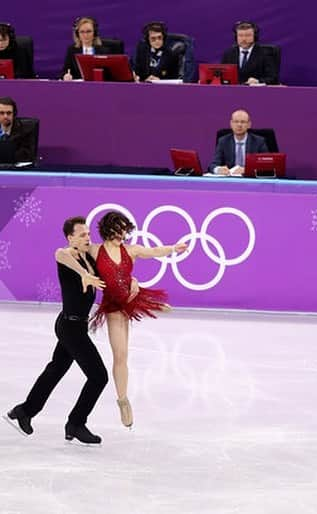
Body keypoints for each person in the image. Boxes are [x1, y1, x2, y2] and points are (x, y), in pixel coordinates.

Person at [4, 216, 108, 444]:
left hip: (75, 325)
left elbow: (111, 265)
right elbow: (59, 254)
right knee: (99, 376)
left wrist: (130, 281)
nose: (87, 238)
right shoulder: (67, 255)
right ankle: (76, 422)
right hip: (70, 327)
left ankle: (24, 411)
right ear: (70, 238)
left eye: (88, 234)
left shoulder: (89, 257)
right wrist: (83, 274)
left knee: (55, 370)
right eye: (82, 235)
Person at [87, 211, 187, 428]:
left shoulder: (131, 250)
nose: (123, 232)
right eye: (119, 228)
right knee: (120, 355)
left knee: (148, 300)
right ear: (109, 228)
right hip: (113, 308)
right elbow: (72, 252)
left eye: (125, 228)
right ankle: (123, 401)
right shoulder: (95, 250)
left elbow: (153, 251)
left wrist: (173, 248)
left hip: (129, 298)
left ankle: (148, 301)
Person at [208, 109, 269, 175]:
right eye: (236, 122)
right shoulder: (223, 141)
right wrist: (218, 170)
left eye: (243, 122)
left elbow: (266, 165)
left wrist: (246, 170)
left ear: (249, 125)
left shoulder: (259, 142)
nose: (239, 125)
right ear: (231, 124)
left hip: (251, 180)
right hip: (230, 181)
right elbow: (213, 164)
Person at [61, 16, 112, 80]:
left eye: (89, 31)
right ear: (77, 34)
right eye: (82, 32)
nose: (85, 35)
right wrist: (65, 76)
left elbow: (110, 75)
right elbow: (64, 71)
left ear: (95, 33)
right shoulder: (72, 50)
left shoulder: (104, 52)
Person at [0, 96, 35, 162]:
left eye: (9, 113)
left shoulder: (25, 131)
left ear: (14, 114)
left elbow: (28, 155)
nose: (5, 116)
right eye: (1, 113)